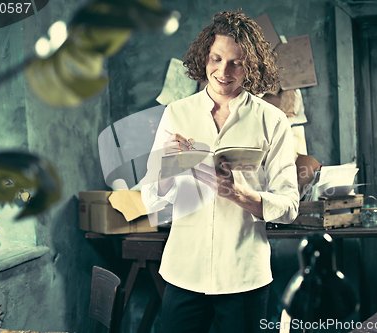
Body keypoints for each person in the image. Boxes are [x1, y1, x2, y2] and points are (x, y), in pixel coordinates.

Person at [140, 10, 299, 333]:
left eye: (235, 63)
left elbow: (289, 206)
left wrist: (242, 195)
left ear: (251, 66)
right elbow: (150, 198)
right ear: (204, 58)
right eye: (216, 59)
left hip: (244, 276)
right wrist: (169, 168)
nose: (223, 71)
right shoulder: (176, 113)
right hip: (183, 271)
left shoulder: (273, 120)